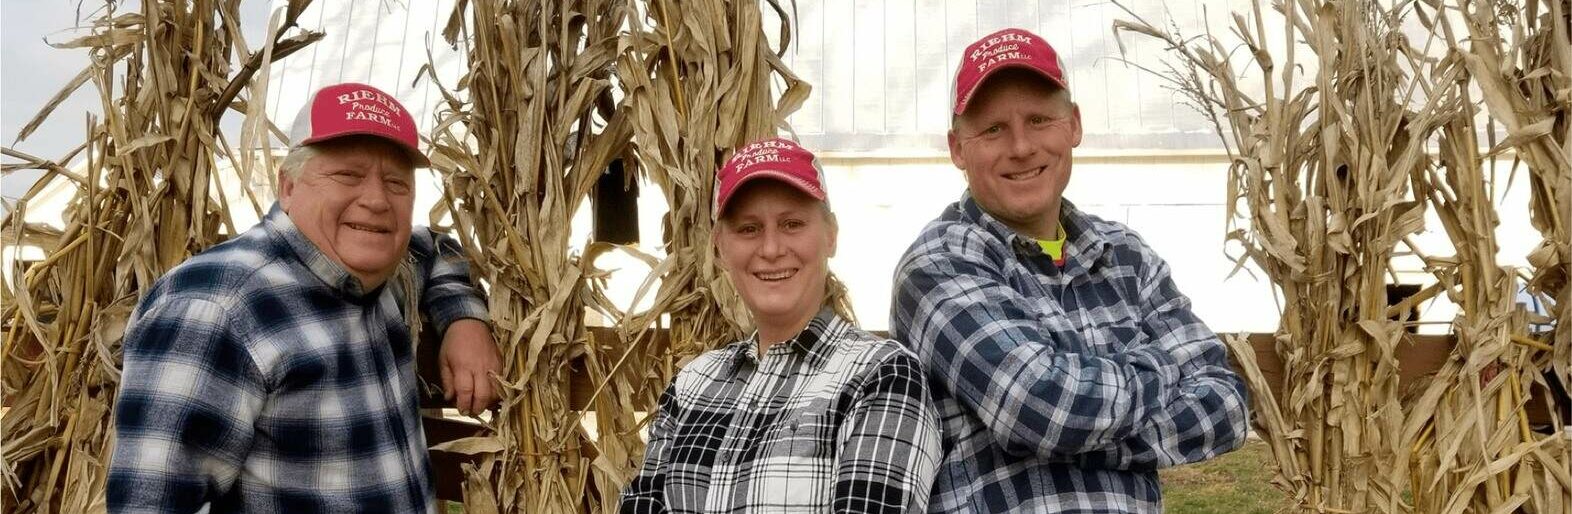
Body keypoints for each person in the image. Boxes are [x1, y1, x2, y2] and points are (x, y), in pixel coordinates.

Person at [890, 28, 1251, 512]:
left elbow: (1226, 405)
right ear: (958, 148)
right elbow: (1040, 406)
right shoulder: (937, 264)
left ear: (1074, 125)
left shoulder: (1126, 255)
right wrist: (1162, 365)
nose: (1021, 146)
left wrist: (1078, 435)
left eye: (1039, 119)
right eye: (993, 129)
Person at [108, 82, 502, 513]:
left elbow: (437, 249)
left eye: (396, 183)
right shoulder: (213, 307)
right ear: (289, 185)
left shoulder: (385, 271)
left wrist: (464, 319)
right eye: (347, 175)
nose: (376, 199)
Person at [620, 138, 942, 513]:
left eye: (792, 224)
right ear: (720, 248)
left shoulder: (881, 375)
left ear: (830, 235)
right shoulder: (691, 385)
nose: (771, 249)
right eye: (748, 229)